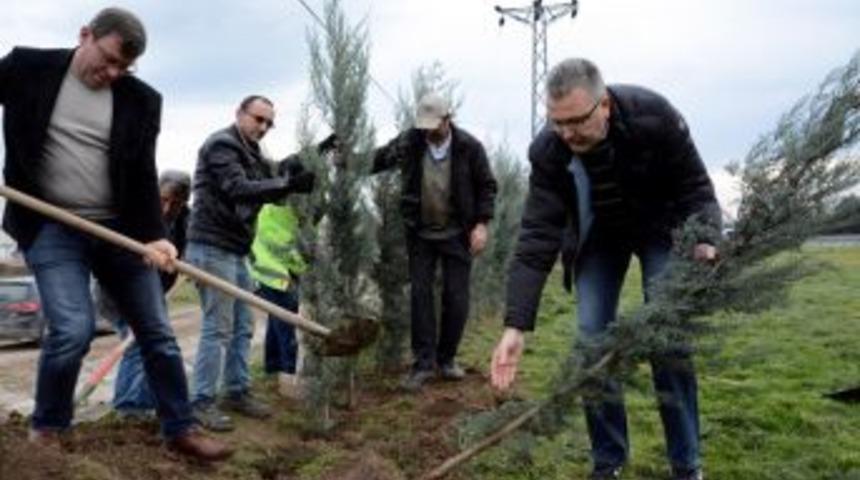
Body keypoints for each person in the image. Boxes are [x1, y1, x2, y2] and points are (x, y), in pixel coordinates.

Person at [0, 7, 231, 461]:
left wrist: (157, 236)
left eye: (123, 67)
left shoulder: (141, 100)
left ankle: (180, 429)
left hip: (120, 231)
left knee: (158, 332)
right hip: (51, 225)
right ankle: (48, 431)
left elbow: (144, 174)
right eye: (106, 60)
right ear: (85, 35)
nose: (111, 73)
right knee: (72, 329)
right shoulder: (28, 67)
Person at [490, 58, 720, 480]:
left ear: (605, 106)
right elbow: (536, 237)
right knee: (592, 342)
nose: (567, 133)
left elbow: (696, 188)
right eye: (557, 122)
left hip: (661, 231)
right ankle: (608, 460)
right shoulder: (549, 149)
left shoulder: (656, 116)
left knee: (668, 342)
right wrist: (514, 326)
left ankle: (687, 465)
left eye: (577, 120)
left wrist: (705, 238)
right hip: (598, 239)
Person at [185, 95, 329, 431]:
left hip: (235, 249)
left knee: (242, 326)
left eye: (268, 123)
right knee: (218, 326)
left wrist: (317, 151)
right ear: (239, 113)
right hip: (211, 245)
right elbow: (239, 187)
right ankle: (201, 402)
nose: (263, 127)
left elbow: (278, 171)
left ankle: (236, 391)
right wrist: (288, 185)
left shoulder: (252, 153)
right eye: (258, 119)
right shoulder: (222, 145)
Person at [371, 93, 497, 391]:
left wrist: (481, 224)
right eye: (423, 125)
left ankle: (447, 359)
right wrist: (348, 158)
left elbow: (487, 186)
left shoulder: (469, 147)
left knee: (456, 297)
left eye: (433, 124)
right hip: (421, 233)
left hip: (457, 232)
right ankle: (423, 364)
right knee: (420, 296)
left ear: (447, 118)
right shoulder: (410, 141)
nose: (428, 130)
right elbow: (378, 159)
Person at [109, 170, 192, 417]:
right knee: (137, 343)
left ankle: (147, 403)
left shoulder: (186, 219)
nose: (167, 209)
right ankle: (128, 407)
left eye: (175, 203)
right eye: (163, 200)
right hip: (119, 287)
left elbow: (188, 253)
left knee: (156, 343)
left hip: (154, 292)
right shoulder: (135, 211)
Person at [249, 201, 306, 378]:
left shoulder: (267, 208)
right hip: (277, 275)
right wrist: (304, 266)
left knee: (276, 319)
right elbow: (286, 247)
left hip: (263, 270)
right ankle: (288, 369)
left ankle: (273, 365)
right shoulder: (286, 213)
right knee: (286, 321)